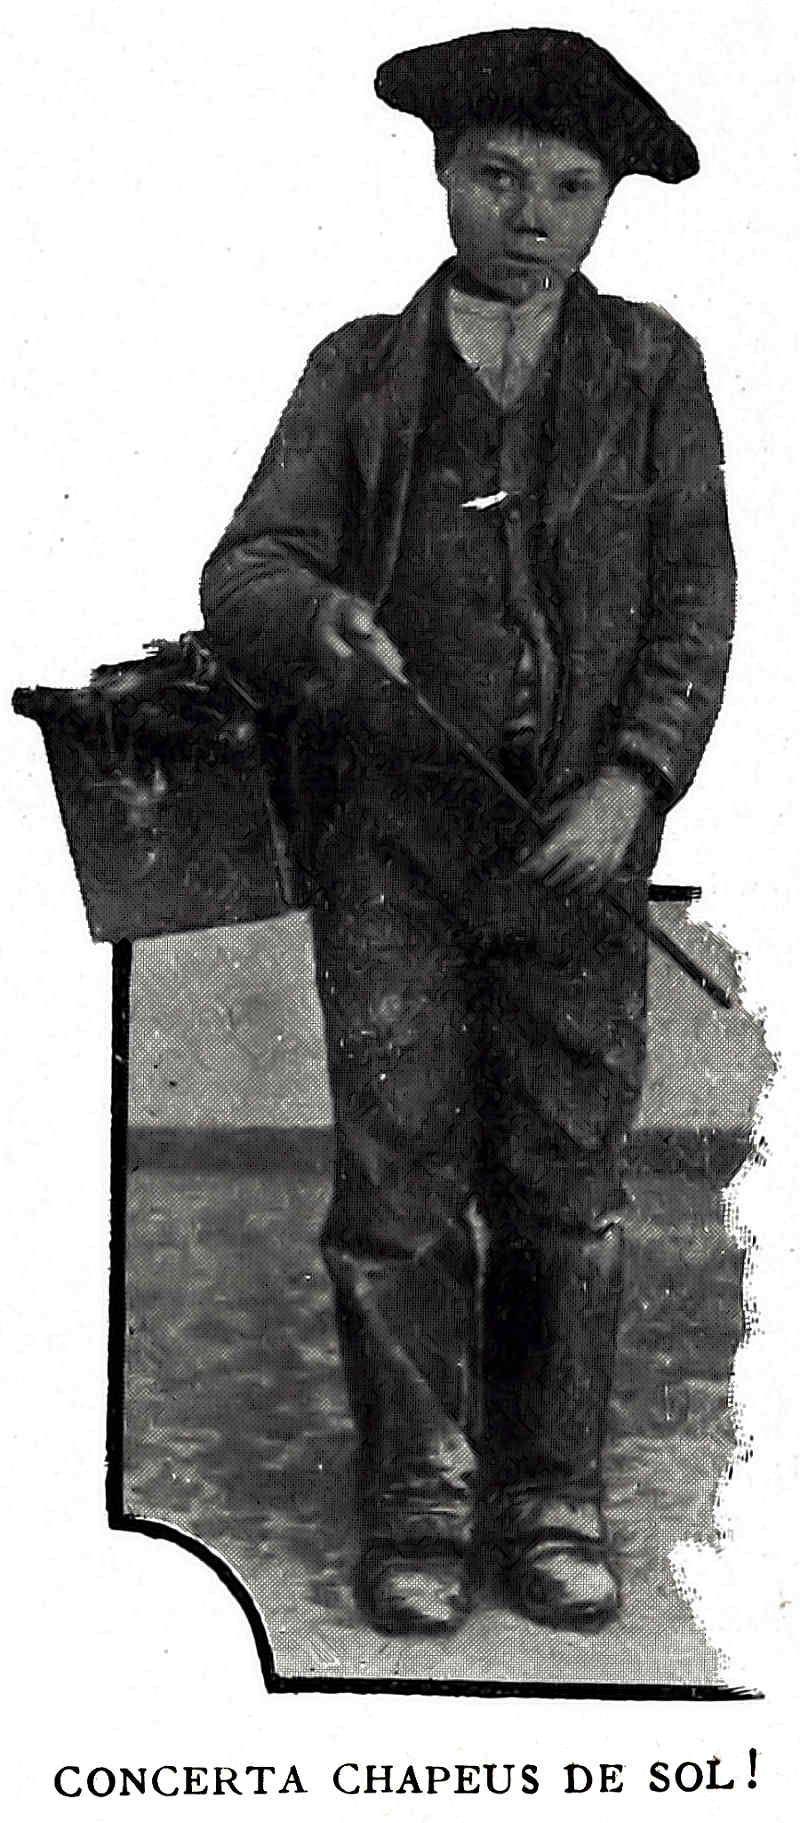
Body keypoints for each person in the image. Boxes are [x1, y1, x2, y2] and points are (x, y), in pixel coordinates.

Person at [201, 28, 735, 1638]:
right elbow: (247, 569)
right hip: (391, 848)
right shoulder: (360, 369)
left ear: (607, 204)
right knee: (398, 1185)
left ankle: (552, 1498)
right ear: (442, 176)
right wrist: (314, 619)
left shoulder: (654, 370)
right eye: (497, 176)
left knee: (568, 1190)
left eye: (569, 187)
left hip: (576, 854)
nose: (531, 214)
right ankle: (421, 1505)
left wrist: (631, 782)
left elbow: (695, 599)